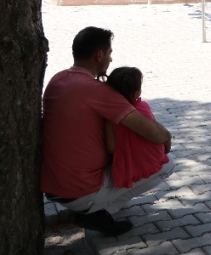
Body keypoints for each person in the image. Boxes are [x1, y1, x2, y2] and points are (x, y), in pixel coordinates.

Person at [41, 27, 174, 236]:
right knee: (166, 164)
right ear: (99, 55)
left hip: (52, 185)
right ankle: (97, 212)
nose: (111, 60)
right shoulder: (98, 91)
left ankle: (97, 207)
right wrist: (167, 137)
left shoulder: (57, 80)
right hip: (79, 189)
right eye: (110, 53)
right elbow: (151, 132)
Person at [104, 67, 171, 189]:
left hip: (126, 167)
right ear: (136, 93)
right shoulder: (143, 107)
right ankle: (112, 206)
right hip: (150, 161)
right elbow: (155, 129)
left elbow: (111, 149)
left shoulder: (108, 117)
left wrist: (108, 125)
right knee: (169, 164)